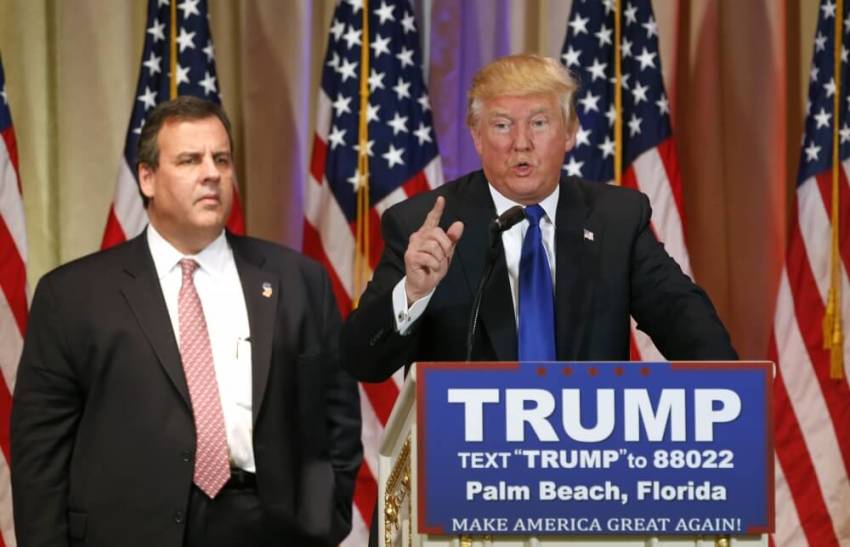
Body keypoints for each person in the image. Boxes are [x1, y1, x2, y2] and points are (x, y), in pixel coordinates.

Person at [11, 96, 362, 547]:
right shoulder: (73, 296)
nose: (212, 173)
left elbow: (337, 418)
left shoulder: (298, 281)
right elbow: (39, 454)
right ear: (148, 177)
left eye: (221, 159)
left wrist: (322, 521)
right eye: (189, 160)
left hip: (268, 529)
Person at [341, 52, 736, 380]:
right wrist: (413, 293)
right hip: (471, 461)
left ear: (570, 133)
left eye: (539, 123)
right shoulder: (423, 224)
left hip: (588, 455)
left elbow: (682, 319)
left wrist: (736, 388)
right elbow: (362, 362)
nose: (521, 143)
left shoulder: (616, 218)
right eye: (501, 126)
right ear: (477, 137)